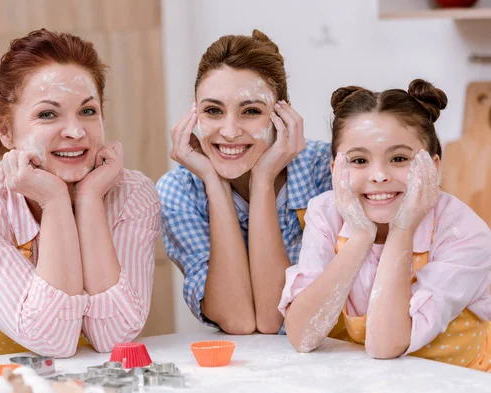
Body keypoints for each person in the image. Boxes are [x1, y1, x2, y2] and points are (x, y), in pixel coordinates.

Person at [0, 29, 161, 363]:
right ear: (5, 131)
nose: (76, 132)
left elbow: (113, 336)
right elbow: (54, 340)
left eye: (88, 111)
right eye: (48, 114)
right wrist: (55, 202)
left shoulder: (131, 196)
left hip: (73, 385)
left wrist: (89, 199)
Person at [280, 79, 491, 371]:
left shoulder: (464, 232)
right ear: (335, 170)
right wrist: (361, 235)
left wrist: (403, 229)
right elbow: (303, 336)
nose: (378, 175)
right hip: (371, 382)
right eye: (359, 160)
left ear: (434, 167)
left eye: (399, 158)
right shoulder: (326, 213)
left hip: (460, 383)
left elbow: (385, 345)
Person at [157, 30, 332, 334]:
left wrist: (262, 181)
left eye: (251, 111)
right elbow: (236, 319)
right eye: (213, 111)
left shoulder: (326, 170)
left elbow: (275, 319)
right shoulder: (179, 190)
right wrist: (214, 183)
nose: (229, 131)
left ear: (282, 113)